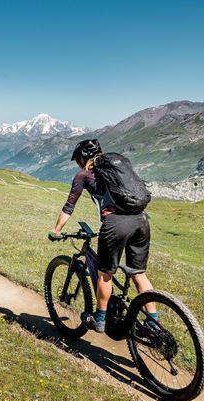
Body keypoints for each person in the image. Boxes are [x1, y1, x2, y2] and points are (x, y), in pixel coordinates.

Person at [48, 139, 156, 332]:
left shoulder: (83, 175)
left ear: (82, 158)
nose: (78, 164)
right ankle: (153, 322)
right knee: (138, 273)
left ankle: (99, 318)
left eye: (78, 160)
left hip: (116, 223)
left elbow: (69, 206)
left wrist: (56, 231)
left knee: (105, 274)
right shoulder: (117, 167)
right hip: (141, 220)